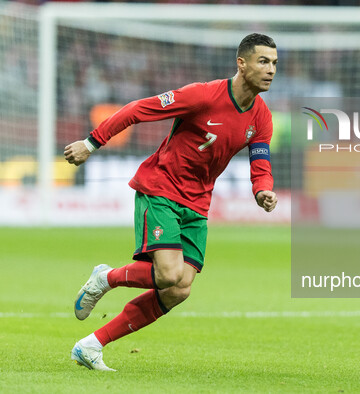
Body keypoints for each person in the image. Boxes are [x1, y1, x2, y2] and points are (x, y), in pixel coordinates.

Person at [64, 33, 278, 371]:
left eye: (274, 63)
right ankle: (106, 278)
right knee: (167, 274)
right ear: (242, 63)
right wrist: (92, 143)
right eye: (263, 61)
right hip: (161, 187)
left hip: (197, 204)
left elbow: (260, 162)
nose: (270, 70)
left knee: (179, 289)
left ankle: (91, 345)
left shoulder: (262, 117)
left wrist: (262, 189)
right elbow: (137, 110)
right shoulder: (203, 95)